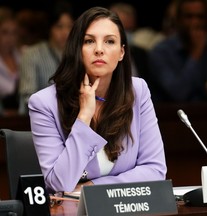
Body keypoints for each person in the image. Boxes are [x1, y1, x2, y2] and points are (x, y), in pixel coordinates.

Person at [28, 6, 167, 193]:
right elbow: (59, 183)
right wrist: (84, 117)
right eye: (89, 41)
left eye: (110, 41)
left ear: (121, 53)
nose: (99, 50)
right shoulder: (44, 104)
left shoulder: (138, 91)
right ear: (76, 49)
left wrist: (94, 188)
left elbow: (155, 171)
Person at [18, 0, 74, 114]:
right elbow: (27, 96)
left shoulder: (78, 54)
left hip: (70, 119)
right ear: (50, 28)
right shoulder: (32, 54)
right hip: (34, 120)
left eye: (69, 26)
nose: (65, 32)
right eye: (59, 26)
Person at [0, 7, 21, 115]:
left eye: (14, 33)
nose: (10, 38)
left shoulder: (24, 56)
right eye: (5, 32)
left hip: (21, 116)